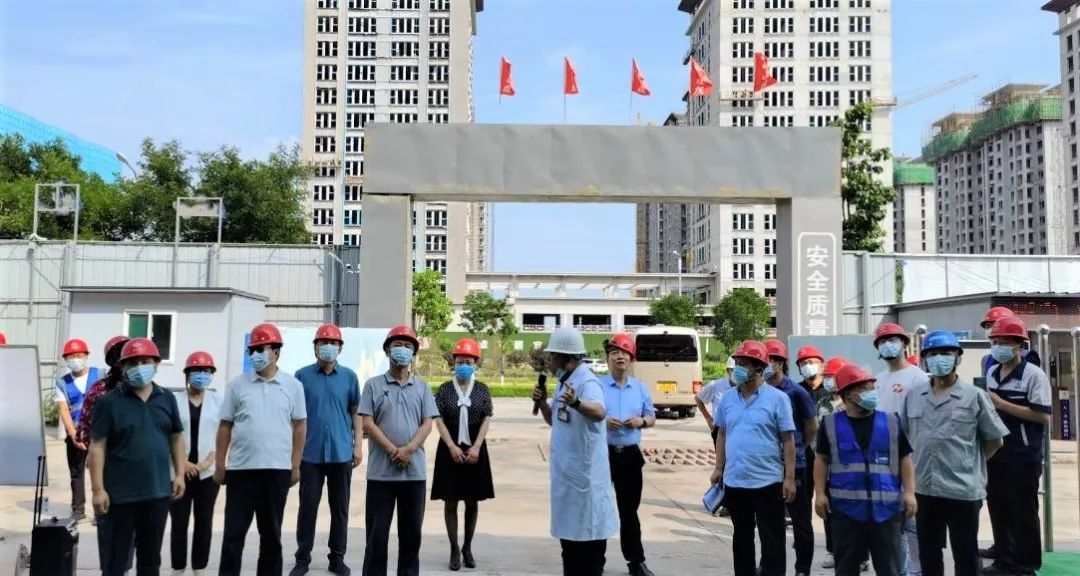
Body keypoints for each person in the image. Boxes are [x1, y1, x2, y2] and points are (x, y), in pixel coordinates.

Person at [901, 330, 1009, 576]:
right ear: (925, 359)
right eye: (932, 354)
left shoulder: (975, 396)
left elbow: (994, 440)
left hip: (963, 490)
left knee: (965, 553)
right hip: (924, 489)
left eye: (946, 353)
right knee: (928, 552)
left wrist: (968, 462)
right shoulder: (915, 395)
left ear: (957, 358)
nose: (939, 358)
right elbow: (907, 438)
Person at [215, 323, 307, 576]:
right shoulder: (237, 385)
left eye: (260, 349)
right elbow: (225, 426)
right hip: (241, 471)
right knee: (233, 536)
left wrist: (296, 464)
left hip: (276, 471)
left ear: (276, 352)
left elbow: (300, 426)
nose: (255, 354)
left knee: (271, 536)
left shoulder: (292, 386)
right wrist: (221, 464)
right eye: (252, 350)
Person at [88, 338, 186, 576]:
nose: (139, 367)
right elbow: (97, 447)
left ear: (156, 363)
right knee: (115, 561)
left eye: (145, 361)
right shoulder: (108, 402)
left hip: (157, 493)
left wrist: (180, 474)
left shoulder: (167, 399)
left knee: (150, 560)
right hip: (119, 496)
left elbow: (176, 438)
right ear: (122, 367)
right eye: (132, 363)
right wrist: (98, 489)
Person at [815, 364, 918, 576]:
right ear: (847, 394)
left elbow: (904, 459)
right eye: (864, 388)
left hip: (886, 511)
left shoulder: (890, 421)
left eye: (871, 386)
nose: (871, 392)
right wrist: (820, 494)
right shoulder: (830, 424)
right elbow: (821, 459)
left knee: (890, 570)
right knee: (846, 569)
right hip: (846, 513)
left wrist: (909, 492)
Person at [531, 326, 618, 576]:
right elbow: (555, 420)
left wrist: (577, 403)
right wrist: (543, 403)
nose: (549, 362)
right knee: (569, 551)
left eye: (553, 357)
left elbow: (599, 412)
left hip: (585, 484)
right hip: (568, 482)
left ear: (568, 358)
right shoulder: (565, 382)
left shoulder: (587, 382)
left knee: (588, 554)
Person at [709, 340, 797, 576]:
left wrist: (789, 478)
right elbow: (722, 433)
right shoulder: (728, 398)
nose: (737, 368)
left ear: (759, 368)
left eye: (744, 363)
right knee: (741, 537)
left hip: (768, 481)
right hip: (736, 480)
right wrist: (719, 468)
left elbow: (788, 439)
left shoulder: (778, 399)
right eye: (737, 362)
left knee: (773, 540)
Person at [359, 325, 439, 576]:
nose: (402, 350)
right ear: (387, 350)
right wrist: (394, 450)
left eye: (408, 346)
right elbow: (367, 422)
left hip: (413, 476)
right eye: (397, 345)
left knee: (411, 539)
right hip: (381, 476)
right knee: (376, 540)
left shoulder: (422, 387)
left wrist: (410, 449)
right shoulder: (373, 385)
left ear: (414, 352)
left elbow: (428, 422)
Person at [982, 316, 1052, 576]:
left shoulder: (1034, 376)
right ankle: (1004, 559)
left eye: (1004, 342)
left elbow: (1042, 415)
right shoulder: (991, 373)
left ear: (1019, 345)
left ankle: (1025, 564)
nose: (998, 346)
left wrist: (1001, 403)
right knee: (998, 507)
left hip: (1023, 455)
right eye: (995, 341)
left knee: (1022, 510)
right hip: (995, 452)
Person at [291, 324, 362, 576]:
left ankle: (337, 558)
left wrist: (358, 445)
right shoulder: (301, 376)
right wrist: (294, 457)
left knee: (339, 509)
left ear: (340, 348)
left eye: (332, 343)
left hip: (341, 453)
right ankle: (302, 559)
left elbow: (356, 413)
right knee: (307, 508)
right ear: (315, 348)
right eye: (323, 343)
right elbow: (294, 419)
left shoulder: (349, 377)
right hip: (310, 454)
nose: (327, 347)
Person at [431, 338, 495, 571]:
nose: (464, 365)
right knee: (450, 501)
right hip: (450, 448)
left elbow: (487, 417)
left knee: (472, 501)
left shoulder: (482, 389)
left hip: (476, 448)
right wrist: (451, 446)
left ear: (476, 363)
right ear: (453, 363)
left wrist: (477, 446)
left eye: (468, 361)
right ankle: (454, 549)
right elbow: (437, 419)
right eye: (460, 361)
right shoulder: (445, 389)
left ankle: (468, 547)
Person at [872, 322, 928, 576]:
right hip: (882, 460)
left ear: (905, 344)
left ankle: (917, 569)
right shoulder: (878, 380)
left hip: (912, 459)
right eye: (883, 341)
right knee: (891, 521)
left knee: (913, 520)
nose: (888, 345)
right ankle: (899, 569)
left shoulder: (918, 378)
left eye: (893, 340)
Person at [77, 335, 135, 575]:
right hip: (107, 470)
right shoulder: (99, 390)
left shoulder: (147, 392)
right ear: (114, 360)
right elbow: (84, 430)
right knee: (108, 525)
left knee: (131, 528)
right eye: (125, 356)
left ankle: (122, 567)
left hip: (135, 471)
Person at [600, 333, 657, 576]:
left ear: (631, 358)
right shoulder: (597, 386)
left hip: (630, 457)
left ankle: (636, 562)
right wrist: (603, 421)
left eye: (624, 352)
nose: (619, 356)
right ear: (608, 359)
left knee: (629, 512)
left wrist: (640, 421)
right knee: (599, 509)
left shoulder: (640, 389)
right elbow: (585, 415)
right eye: (614, 353)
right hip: (602, 456)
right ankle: (595, 561)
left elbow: (652, 417)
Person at [764, 338, 816, 576]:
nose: (766, 365)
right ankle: (770, 566)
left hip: (796, 466)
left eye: (771, 360)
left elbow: (811, 426)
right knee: (770, 521)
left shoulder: (796, 392)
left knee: (801, 521)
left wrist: (798, 448)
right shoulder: (760, 392)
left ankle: (802, 569)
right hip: (767, 465)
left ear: (780, 363)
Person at [171, 351, 224, 576]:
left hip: (207, 473)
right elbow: (169, 434)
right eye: (196, 371)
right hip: (178, 472)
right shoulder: (174, 400)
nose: (201, 375)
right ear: (187, 374)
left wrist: (206, 463)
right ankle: (178, 567)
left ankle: (200, 567)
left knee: (204, 522)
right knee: (179, 523)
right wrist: (183, 463)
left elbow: (222, 434)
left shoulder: (218, 400)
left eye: (206, 371)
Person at [55, 337, 104, 520]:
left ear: (86, 355)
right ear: (66, 360)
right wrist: (73, 434)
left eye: (78, 355)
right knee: (76, 472)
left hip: (100, 432)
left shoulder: (101, 374)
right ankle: (78, 510)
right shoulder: (62, 383)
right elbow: (64, 409)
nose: (75, 359)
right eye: (70, 357)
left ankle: (101, 510)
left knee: (101, 471)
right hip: (76, 433)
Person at [980, 307, 1041, 374]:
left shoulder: (1027, 356)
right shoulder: (986, 360)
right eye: (987, 326)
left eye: (996, 325)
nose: (991, 330)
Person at [696, 356, 734, 440]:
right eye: (732, 370)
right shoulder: (716, 385)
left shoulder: (745, 387)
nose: (735, 373)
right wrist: (708, 418)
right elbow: (698, 398)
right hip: (719, 429)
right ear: (728, 370)